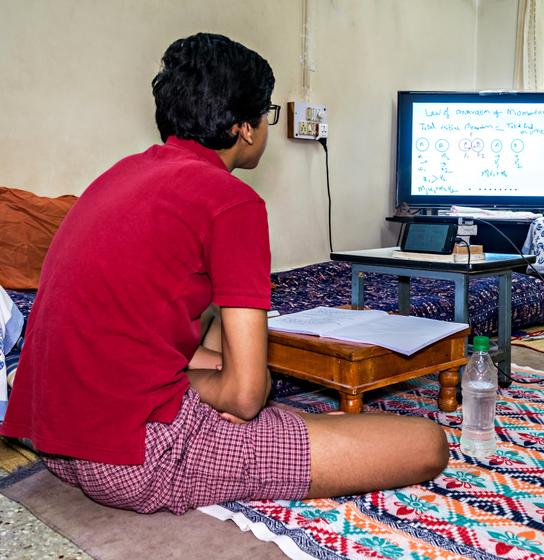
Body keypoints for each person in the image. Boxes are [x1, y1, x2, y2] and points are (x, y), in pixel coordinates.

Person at [0, 33, 448, 514]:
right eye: (267, 114)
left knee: (219, 336)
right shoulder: (232, 202)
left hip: (54, 438)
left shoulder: (119, 174)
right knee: (425, 444)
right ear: (245, 128)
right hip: (137, 456)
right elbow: (246, 397)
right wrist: (223, 392)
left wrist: (207, 382)